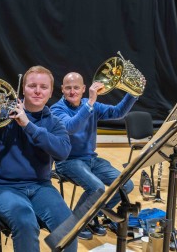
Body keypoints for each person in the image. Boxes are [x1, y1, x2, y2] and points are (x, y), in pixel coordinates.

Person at [0, 66, 78, 252]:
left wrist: (27, 125)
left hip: (41, 187)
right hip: (3, 187)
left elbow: (62, 151)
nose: (38, 91)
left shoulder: (54, 122)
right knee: (25, 222)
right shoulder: (4, 114)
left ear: (50, 93)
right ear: (23, 89)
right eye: (32, 86)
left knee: (70, 227)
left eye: (43, 87)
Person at [50, 72, 137, 240]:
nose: (72, 91)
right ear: (62, 89)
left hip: (91, 159)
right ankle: (74, 223)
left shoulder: (91, 105)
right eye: (68, 88)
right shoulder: (56, 109)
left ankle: (91, 216)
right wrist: (90, 102)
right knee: (97, 188)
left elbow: (118, 112)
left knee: (126, 185)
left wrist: (133, 93)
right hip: (68, 161)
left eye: (76, 88)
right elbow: (70, 127)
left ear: (83, 89)